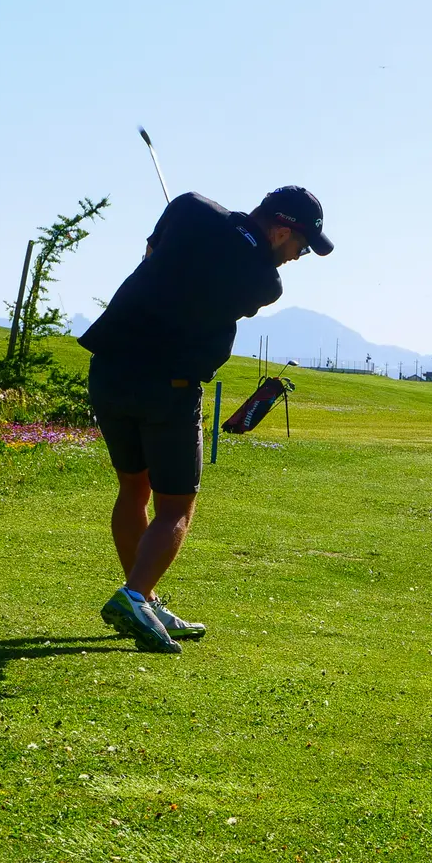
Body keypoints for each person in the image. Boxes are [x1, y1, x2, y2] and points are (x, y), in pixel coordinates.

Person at [79, 186, 333, 653]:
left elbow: (167, 229)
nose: (297, 258)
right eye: (300, 247)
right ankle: (134, 596)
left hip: (109, 372)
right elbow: (231, 274)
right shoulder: (265, 282)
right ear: (281, 231)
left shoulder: (193, 210)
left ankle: (146, 600)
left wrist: (168, 243)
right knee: (176, 506)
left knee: (134, 488)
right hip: (169, 387)